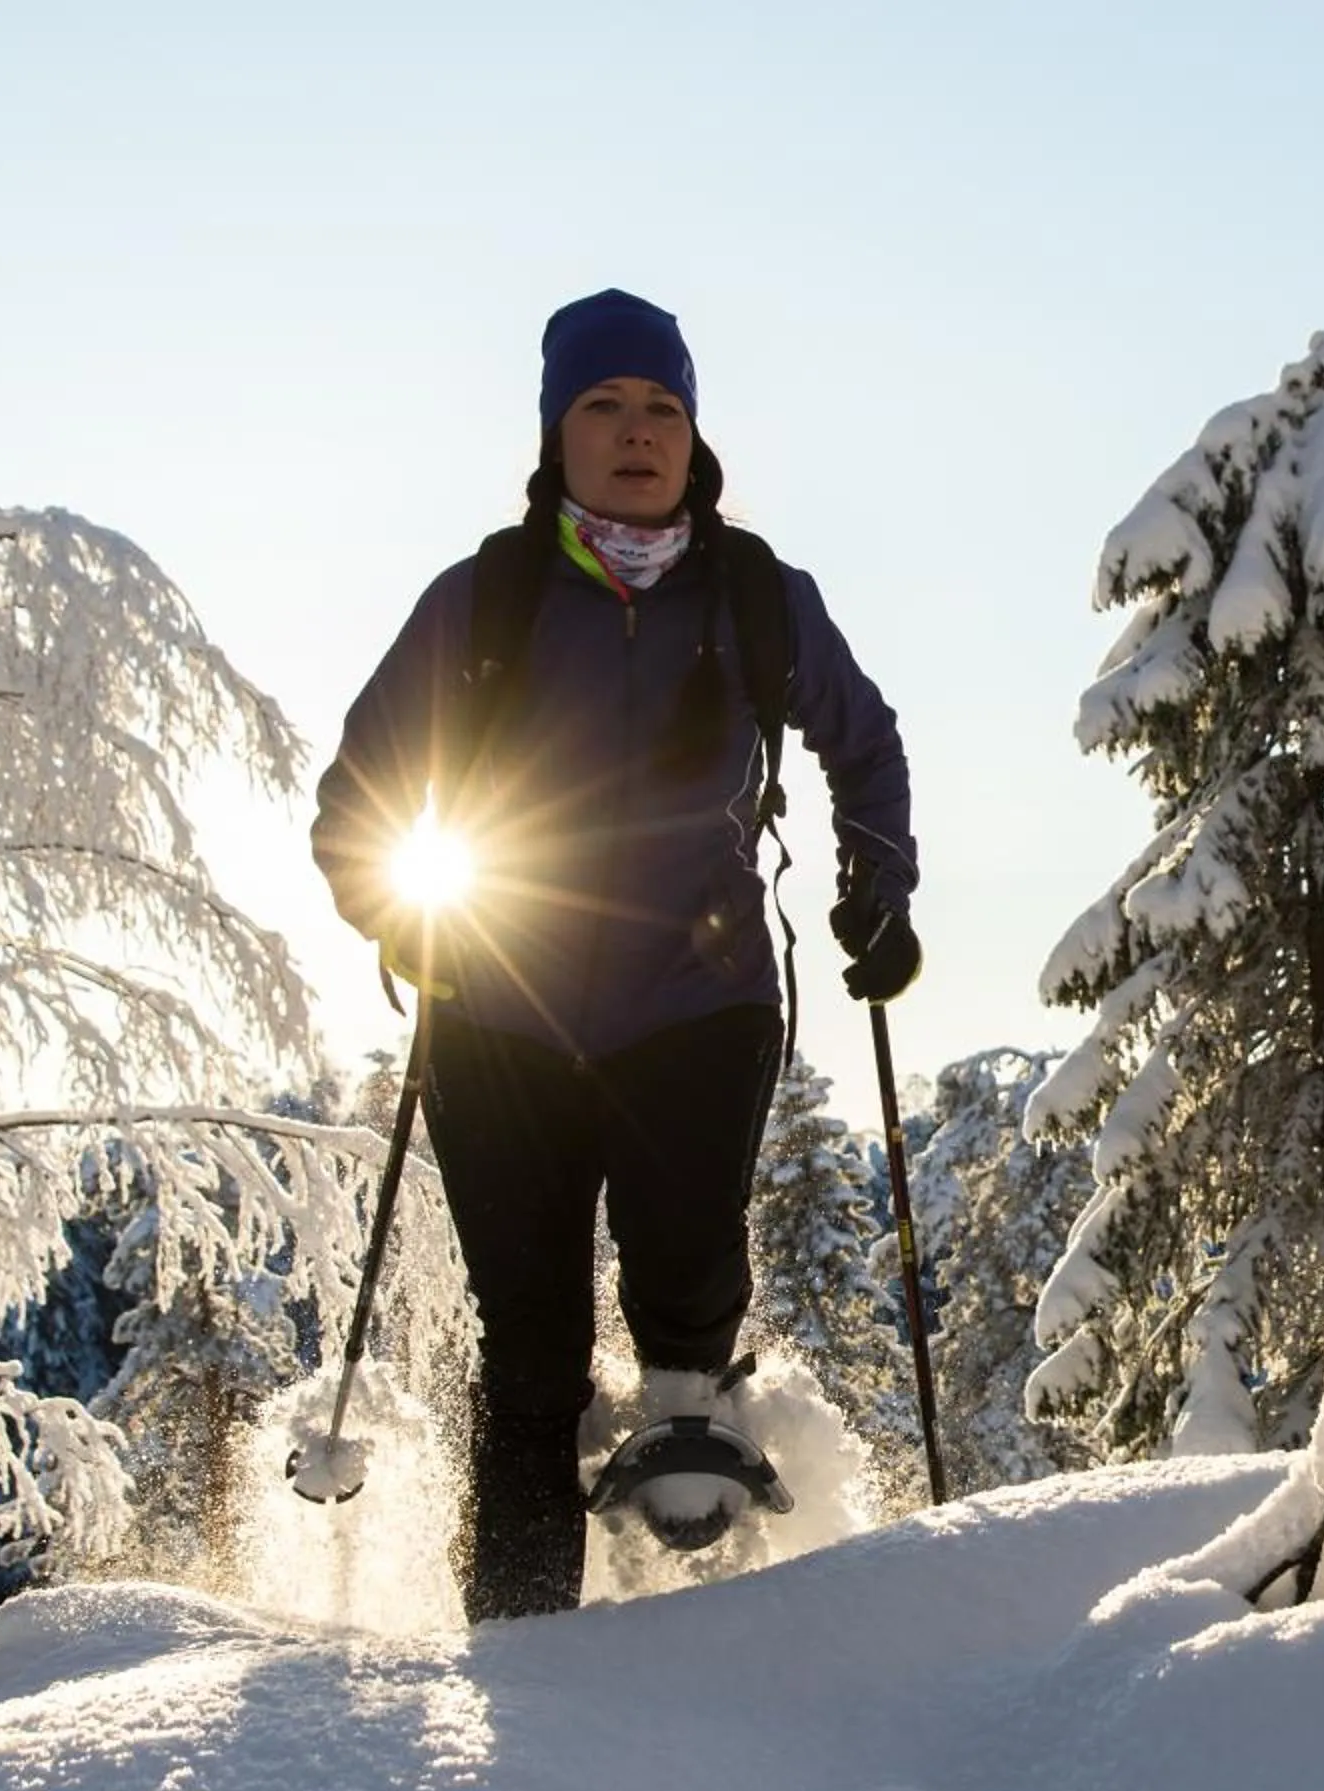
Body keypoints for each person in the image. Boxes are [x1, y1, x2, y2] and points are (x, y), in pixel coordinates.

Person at [309, 288, 920, 1621]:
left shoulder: (758, 596)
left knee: (686, 1288)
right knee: (530, 1352)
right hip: (500, 1007)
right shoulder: (483, 602)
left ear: (694, 434)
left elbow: (862, 742)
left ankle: (687, 1608)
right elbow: (354, 803)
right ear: (557, 431)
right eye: (605, 406)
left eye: (662, 408)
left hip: (699, 1000)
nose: (637, 433)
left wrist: (881, 885)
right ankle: (523, 1662)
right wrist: (408, 922)